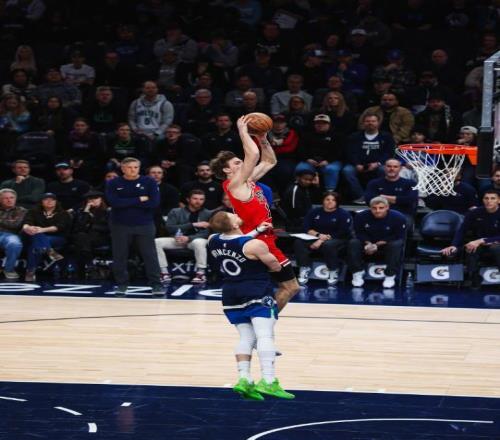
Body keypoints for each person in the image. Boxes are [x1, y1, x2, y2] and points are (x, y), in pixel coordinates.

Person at [210, 115, 299, 311]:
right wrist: (243, 131)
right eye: (236, 163)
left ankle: (259, 318)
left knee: (271, 288)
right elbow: (253, 155)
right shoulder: (233, 184)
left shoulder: (247, 180)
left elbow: (269, 161)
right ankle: (265, 319)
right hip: (256, 241)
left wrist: (263, 138)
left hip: (263, 238)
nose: (241, 163)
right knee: (290, 287)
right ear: (226, 170)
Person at [208, 210, 294, 400]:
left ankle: (244, 379)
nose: (234, 214)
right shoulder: (256, 245)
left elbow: (236, 241)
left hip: (231, 293)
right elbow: (275, 266)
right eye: (231, 215)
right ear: (234, 224)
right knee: (264, 335)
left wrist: (256, 231)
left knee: (246, 337)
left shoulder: (213, 239)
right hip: (256, 291)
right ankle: (269, 381)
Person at [105, 157, 163, 295]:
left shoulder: (149, 182)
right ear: (123, 168)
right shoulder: (113, 183)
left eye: (136, 167)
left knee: (150, 255)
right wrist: (139, 199)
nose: (133, 170)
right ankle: (121, 285)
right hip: (120, 224)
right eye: (130, 167)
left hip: (144, 224)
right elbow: (114, 202)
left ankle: (156, 285)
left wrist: (125, 202)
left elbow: (154, 203)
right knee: (120, 256)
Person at [441, 190, 500, 288]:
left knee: (496, 248)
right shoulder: (475, 213)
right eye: (486, 198)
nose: (489, 201)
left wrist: (483, 240)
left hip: (496, 244)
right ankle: (474, 278)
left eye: (492, 198)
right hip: (479, 245)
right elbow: (462, 230)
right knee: (470, 247)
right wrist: (454, 245)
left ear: (498, 200)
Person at [294, 192, 352, 286]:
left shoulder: (343, 214)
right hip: (316, 236)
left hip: (337, 238)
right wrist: (318, 235)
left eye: (333, 200)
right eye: (327, 199)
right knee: (299, 242)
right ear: (323, 201)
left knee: (328, 245)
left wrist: (321, 240)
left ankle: (333, 270)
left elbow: (342, 231)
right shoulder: (314, 211)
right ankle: (304, 268)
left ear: (337, 202)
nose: (330, 202)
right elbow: (305, 227)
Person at [347, 196, 406, 288]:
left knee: (396, 244)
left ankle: (390, 275)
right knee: (353, 242)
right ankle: (357, 272)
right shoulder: (360, 216)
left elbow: (399, 235)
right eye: (374, 208)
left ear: (387, 207)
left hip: (387, 242)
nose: (377, 211)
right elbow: (358, 233)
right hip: (367, 242)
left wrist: (377, 244)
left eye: (381, 208)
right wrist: (368, 243)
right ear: (370, 208)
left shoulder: (398, 217)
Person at [155, 189, 211, 283]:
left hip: (195, 241)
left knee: (198, 242)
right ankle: (164, 273)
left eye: (201, 199)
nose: (198, 201)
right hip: (178, 240)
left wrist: (189, 238)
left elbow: (207, 233)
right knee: (156, 242)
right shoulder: (176, 211)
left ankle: (201, 273)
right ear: (188, 199)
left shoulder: (208, 213)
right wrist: (192, 225)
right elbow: (169, 228)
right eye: (195, 198)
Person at [342, 113, 396, 203]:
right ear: (363, 123)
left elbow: (389, 153)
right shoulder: (355, 136)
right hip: (358, 164)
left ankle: (378, 196)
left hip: (378, 164)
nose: (370, 123)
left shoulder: (386, 136)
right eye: (367, 121)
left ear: (378, 123)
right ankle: (361, 196)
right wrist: (357, 164)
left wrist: (378, 163)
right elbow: (350, 152)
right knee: (347, 170)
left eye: (373, 121)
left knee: (384, 170)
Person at [22, 192, 72, 282]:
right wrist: (27, 227)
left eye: (52, 200)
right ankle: (50, 252)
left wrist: (42, 229)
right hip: (35, 236)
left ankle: (30, 272)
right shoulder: (33, 211)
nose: (49, 201)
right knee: (36, 244)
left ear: (56, 202)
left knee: (35, 243)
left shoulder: (63, 213)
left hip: (57, 237)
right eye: (46, 199)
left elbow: (59, 227)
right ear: (41, 202)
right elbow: (27, 222)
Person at [295, 114, 344, 191]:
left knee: (331, 169)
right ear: (314, 124)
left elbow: (339, 152)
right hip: (310, 161)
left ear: (329, 124)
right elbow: (301, 150)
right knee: (300, 168)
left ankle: (330, 192)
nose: (320, 125)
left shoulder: (337, 136)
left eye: (324, 123)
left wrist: (328, 161)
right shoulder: (307, 135)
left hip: (330, 161)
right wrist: (308, 159)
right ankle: (300, 191)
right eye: (318, 123)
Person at [71, 190, 110, 277]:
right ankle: (90, 265)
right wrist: (86, 212)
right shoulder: (82, 211)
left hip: (100, 237)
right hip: (85, 238)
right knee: (81, 238)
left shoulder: (107, 211)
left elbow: (108, 228)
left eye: (96, 198)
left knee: (81, 241)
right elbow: (79, 227)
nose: (93, 201)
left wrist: (91, 226)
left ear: (101, 199)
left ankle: (82, 270)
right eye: (90, 199)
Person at [0, 188, 26, 280]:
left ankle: (9, 269)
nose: (9, 200)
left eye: (11, 197)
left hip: (10, 235)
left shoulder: (21, 210)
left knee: (14, 243)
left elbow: (15, 225)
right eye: (5, 198)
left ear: (15, 199)